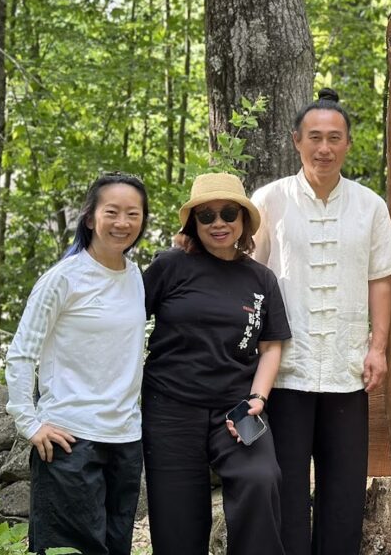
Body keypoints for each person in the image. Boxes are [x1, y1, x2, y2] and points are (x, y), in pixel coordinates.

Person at [251, 88, 391, 555]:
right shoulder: (269, 200)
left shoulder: (369, 205)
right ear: (296, 141)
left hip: (346, 368)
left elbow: (381, 279)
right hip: (285, 371)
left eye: (334, 138)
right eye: (314, 137)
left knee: (344, 487)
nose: (324, 148)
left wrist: (377, 347)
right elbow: (250, 277)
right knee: (287, 484)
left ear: (347, 145)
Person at [141, 172, 290, 555]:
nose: (218, 223)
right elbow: (124, 325)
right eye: (206, 216)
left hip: (236, 408)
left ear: (242, 219)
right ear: (194, 224)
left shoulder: (262, 278)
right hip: (170, 407)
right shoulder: (169, 267)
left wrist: (258, 398)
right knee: (177, 517)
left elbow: (271, 346)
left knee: (261, 479)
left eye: (227, 213)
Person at [6, 173, 149, 555]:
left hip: (124, 439)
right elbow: (22, 352)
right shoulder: (62, 279)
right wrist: (29, 422)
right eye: (112, 212)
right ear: (90, 218)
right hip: (70, 439)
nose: (123, 223)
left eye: (133, 214)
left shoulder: (135, 276)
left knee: (116, 546)